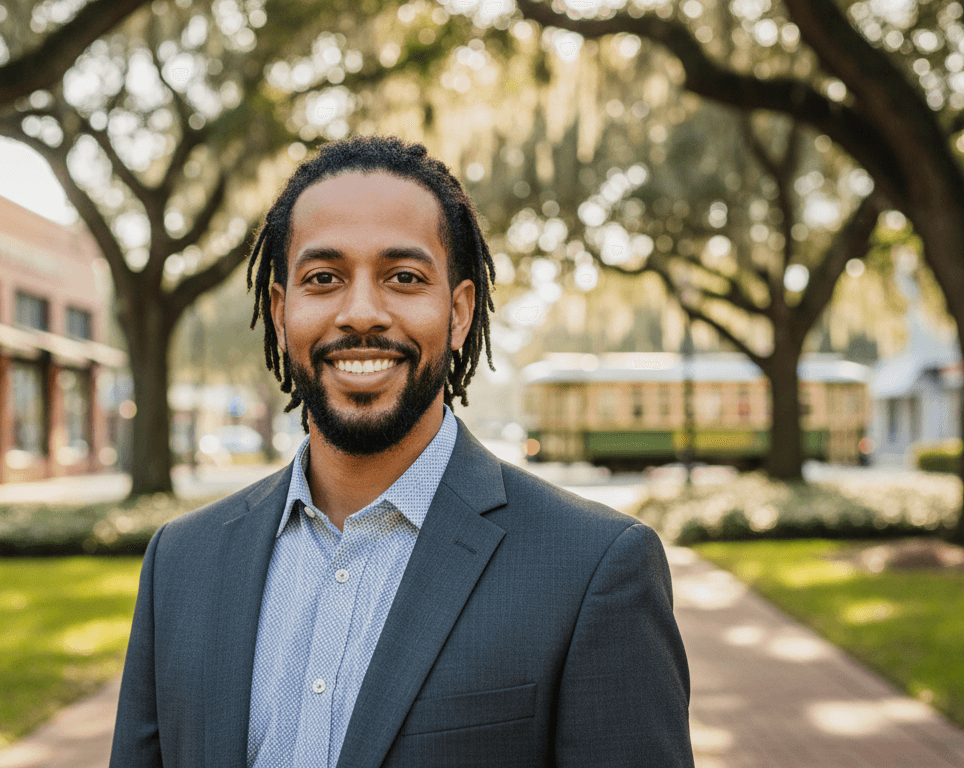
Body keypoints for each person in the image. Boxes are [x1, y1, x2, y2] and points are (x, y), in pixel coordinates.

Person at [110, 135, 693, 768]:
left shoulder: (593, 571)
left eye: (405, 278)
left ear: (460, 311)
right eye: (324, 278)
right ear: (281, 312)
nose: (361, 312)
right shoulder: (180, 564)